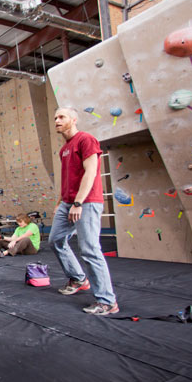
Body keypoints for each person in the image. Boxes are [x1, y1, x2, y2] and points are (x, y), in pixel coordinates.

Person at [49, 107, 118, 315]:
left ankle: (107, 301)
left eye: (61, 117)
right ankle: (79, 278)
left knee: (89, 249)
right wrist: (61, 202)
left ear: (74, 119)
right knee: (55, 240)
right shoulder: (64, 149)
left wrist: (78, 203)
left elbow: (91, 172)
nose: (57, 121)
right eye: (55, 118)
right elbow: (68, 178)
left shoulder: (86, 139)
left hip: (86, 202)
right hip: (67, 202)